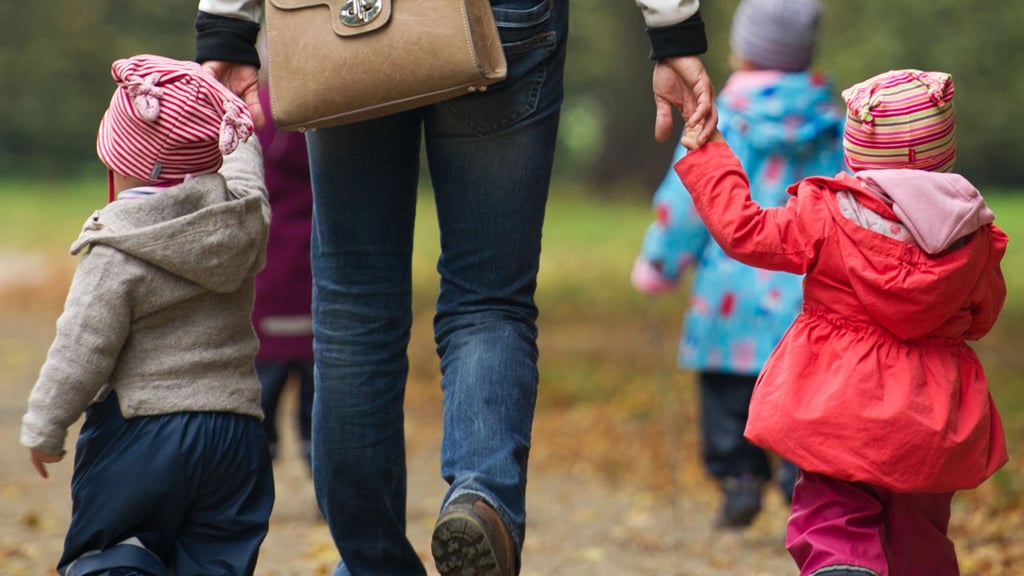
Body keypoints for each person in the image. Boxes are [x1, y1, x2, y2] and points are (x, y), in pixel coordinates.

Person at [193, 1, 718, 575]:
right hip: (506, 16)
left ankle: (372, 564)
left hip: (344, 14)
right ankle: (481, 493)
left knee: (354, 303)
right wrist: (672, 28)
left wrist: (228, 26)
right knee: (489, 299)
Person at [675, 69, 1008, 575]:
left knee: (833, 523)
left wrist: (708, 155)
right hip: (929, 416)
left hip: (838, 404)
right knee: (919, 537)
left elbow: (745, 230)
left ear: (856, 152)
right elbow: (982, 316)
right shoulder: (973, 237)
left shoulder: (827, 215)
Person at [19, 54, 274, 576]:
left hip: (142, 433)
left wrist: (46, 424)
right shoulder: (242, 222)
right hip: (235, 434)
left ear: (122, 162)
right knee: (218, 557)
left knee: (113, 555)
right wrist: (236, 122)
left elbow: (82, 347)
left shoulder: (116, 248)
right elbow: (251, 182)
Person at [631, 0, 845, 529]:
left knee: (728, 392)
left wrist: (661, 261)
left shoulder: (720, 117)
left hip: (730, 295)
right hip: (807, 293)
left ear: (746, 50)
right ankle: (802, 478)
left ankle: (739, 477)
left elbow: (687, 200)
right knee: (802, 394)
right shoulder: (835, 123)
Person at [252, 83, 316, 473]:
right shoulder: (328, 107)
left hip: (268, 278)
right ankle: (328, 480)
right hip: (317, 270)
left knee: (259, 399)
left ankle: (250, 478)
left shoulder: (256, 114)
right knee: (322, 399)